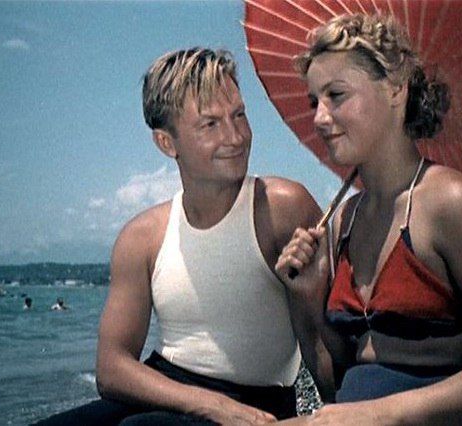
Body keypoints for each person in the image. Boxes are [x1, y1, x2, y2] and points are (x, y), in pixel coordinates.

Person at [35, 48, 322, 425]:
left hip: (258, 401)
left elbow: (328, 344)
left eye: (239, 115)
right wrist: (210, 404)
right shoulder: (143, 238)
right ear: (166, 143)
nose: (235, 137)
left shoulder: (281, 207)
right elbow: (112, 368)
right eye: (210, 124)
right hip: (169, 388)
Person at [275, 13, 462, 425]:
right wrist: (308, 302)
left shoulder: (453, 202)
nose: (319, 117)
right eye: (314, 101)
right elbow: (336, 389)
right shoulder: (344, 221)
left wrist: (384, 414)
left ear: (395, 89)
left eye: (336, 95)